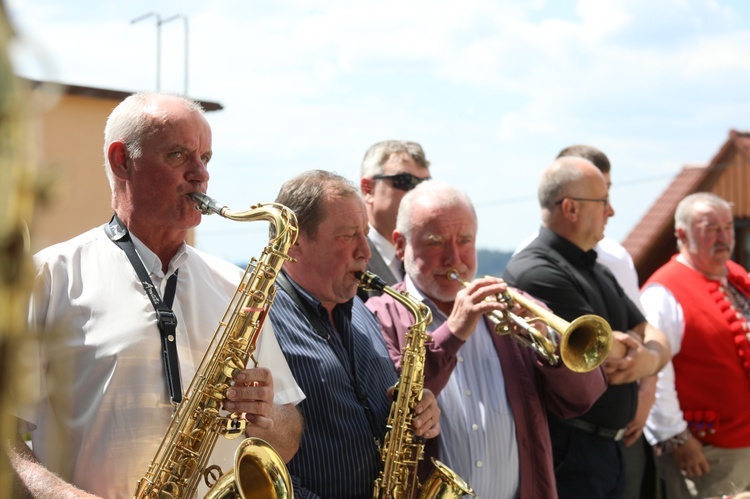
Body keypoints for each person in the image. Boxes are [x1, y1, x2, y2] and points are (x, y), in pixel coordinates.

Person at [7, 92, 305, 498]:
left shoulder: (235, 286)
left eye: (207, 158)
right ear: (121, 160)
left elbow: (288, 435)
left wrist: (268, 413)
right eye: (179, 155)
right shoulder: (49, 277)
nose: (201, 175)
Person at [366, 179, 608, 498]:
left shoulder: (513, 305)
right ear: (400, 245)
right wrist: (454, 331)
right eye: (437, 242)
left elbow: (583, 398)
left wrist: (550, 348)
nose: (455, 258)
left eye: (465, 240)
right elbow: (393, 411)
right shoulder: (377, 314)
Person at [267, 169, 441, 498]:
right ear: (293, 242)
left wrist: (422, 410)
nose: (366, 251)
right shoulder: (259, 321)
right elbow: (253, 459)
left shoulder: (361, 308)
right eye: (348, 236)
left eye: (365, 233)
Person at [504, 156, 670, 498]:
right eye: (603, 201)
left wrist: (648, 359)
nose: (612, 212)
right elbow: (600, 351)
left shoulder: (597, 267)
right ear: (571, 208)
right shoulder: (536, 271)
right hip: (571, 450)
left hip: (606, 449)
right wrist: (640, 350)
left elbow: (653, 333)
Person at [642, 192, 750, 498]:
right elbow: (654, 372)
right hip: (708, 453)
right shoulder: (664, 292)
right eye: (711, 227)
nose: (724, 235)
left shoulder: (735, 275)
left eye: (728, 226)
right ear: (682, 234)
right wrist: (676, 438)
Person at [358, 140, 431, 301]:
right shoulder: (348, 260)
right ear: (368, 189)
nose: (419, 193)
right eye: (405, 181)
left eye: (425, 185)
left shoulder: (430, 260)